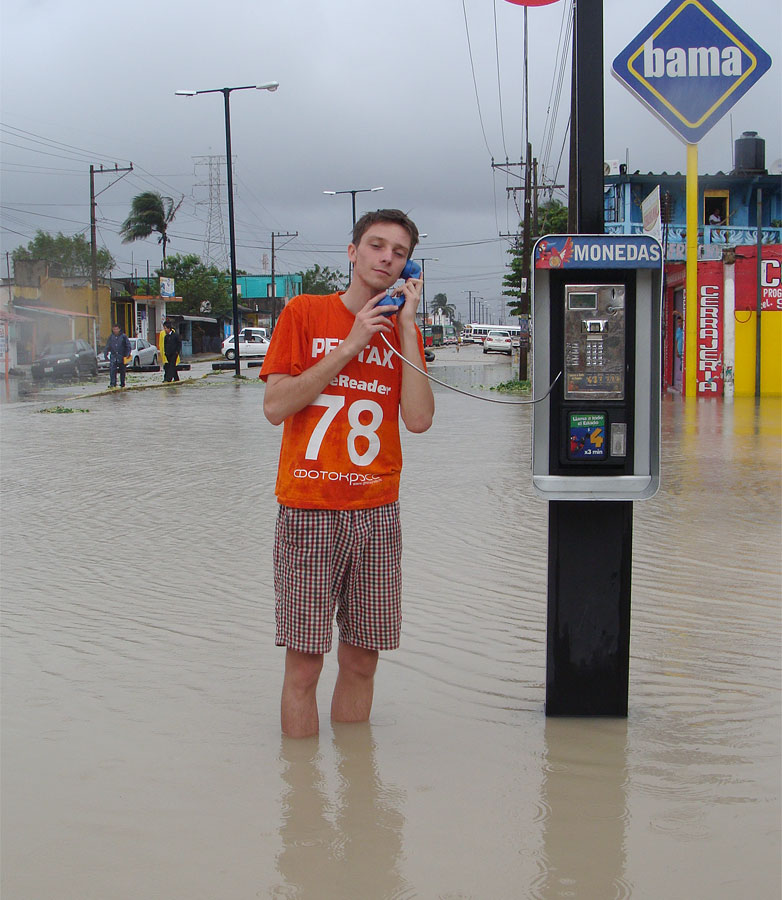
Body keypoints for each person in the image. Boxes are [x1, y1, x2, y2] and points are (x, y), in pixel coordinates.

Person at [260, 209, 435, 738]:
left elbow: (420, 420)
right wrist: (351, 344)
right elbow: (275, 407)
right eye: (377, 245)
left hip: (377, 514)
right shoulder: (304, 313)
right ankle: (304, 804)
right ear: (353, 252)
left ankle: (357, 792)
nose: (387, 257)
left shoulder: (404, 335)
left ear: (407, 266)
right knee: (305, 665)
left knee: (362, 660)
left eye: (399, 252)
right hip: (309, 512)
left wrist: (404, 327)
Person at [104, 322, 131, 389]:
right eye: (114, 329)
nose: (115, 330)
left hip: (122, 356)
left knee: (122, 371)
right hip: (113, 356)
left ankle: (122, 383)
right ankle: (113, 383)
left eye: (117, 329)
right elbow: (107, 346)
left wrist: (127, 355)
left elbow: (128, 346)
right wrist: (106, 354)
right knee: (112, 370)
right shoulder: (111, 337)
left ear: (119, 329)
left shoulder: (123, 337)